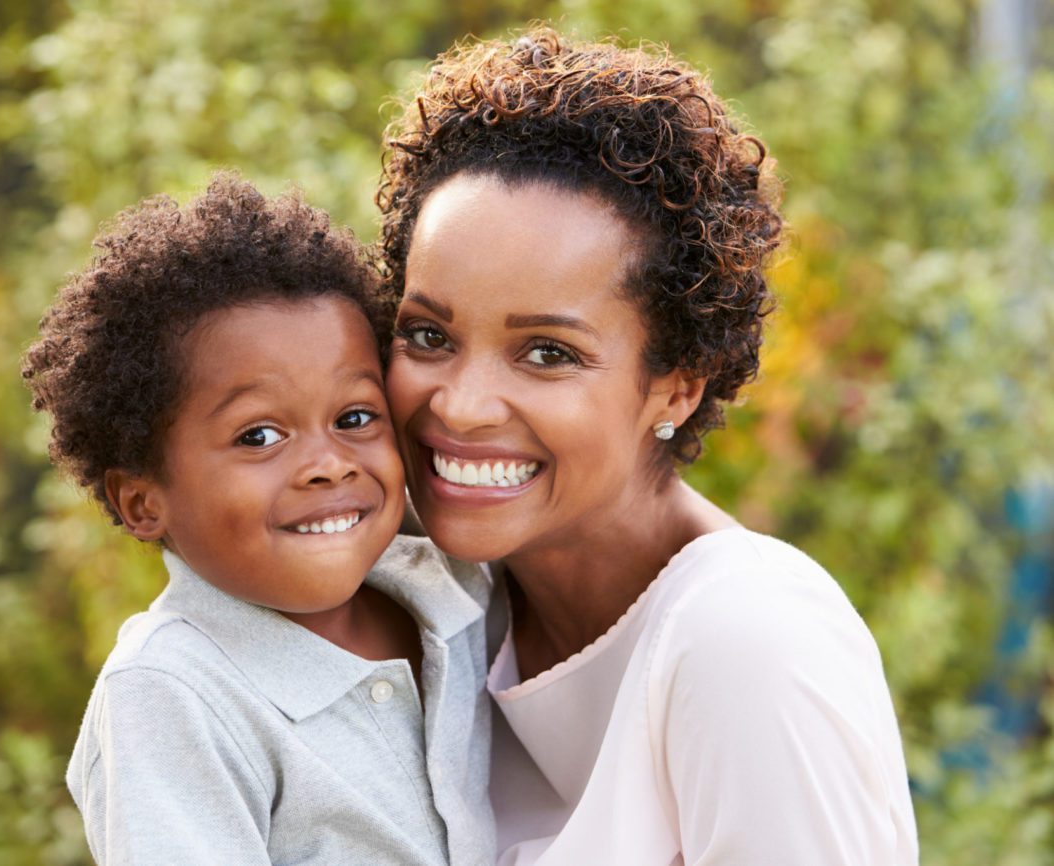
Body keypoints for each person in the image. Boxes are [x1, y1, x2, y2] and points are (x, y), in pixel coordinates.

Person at [377, 28, 919, 865]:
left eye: (547, 353)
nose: (463, 404)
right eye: (427, 334)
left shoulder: (746, 639)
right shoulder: (427, 606)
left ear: (678, 383)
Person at [22, 174, 495, 865]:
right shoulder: (172, 691)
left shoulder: (453, 589)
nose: (328, 464)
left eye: (355, 417)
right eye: (258, 437)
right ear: (142, 500)